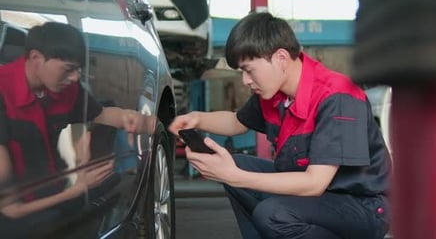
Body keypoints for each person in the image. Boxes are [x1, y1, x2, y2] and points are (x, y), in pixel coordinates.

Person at [169, 12, 392, 239]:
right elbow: (237, 122)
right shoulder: (274, 95)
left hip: (363, 206)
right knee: (239, 164)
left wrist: (233, 175)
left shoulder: (337, 97)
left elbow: (314, 183)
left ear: (281, 58)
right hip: (319, 197)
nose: (245, 80)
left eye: (249, 70)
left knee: (274, 214)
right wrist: (197, 118)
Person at [0, 21, 156, 219]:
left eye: (78, 71)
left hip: (52, 193)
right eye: (68, 69)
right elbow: (10, 210)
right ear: (36, 58)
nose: (75, 78)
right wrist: (77, 189)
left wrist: (157, 124)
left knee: (116, 185)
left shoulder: (66, 90)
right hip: (19, 216)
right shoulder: (3, 93)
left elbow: (105, 114)